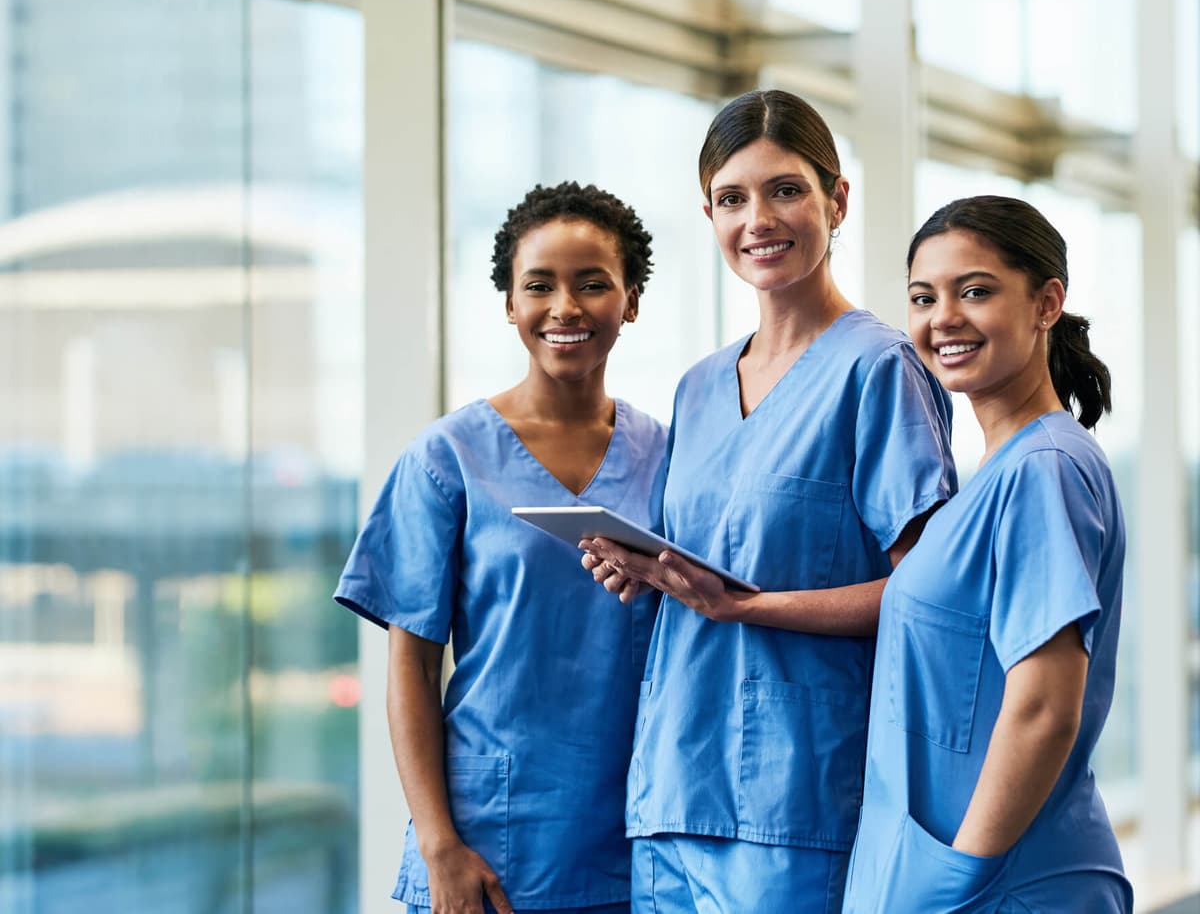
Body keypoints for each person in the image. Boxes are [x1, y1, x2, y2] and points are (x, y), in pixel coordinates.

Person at [579, 89, 957, 913]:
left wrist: (748, 605)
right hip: (673, 793)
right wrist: (645, 570)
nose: (760, 219)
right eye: (732, 198)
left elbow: (933, 598)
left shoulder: (880, 370)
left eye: (785, 189)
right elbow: (712, 558)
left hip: (798, 799)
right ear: (709, 214)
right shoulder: (699, 386)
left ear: (837, 199)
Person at [334, 181, 669, 914]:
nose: (565, 307)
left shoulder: (668, 455)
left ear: (632, 299)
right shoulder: (448, 458)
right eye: (539, 285)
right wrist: (438, 843)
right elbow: (413, 667)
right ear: (510, 304)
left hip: (641, 838)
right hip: (492, 847)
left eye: (593, 284)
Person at [840, 195, 1131, 913]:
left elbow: (1044, 706)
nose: (944, 316)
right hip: (952, 873)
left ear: (1046, 303)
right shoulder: (999, 476)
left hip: (997, 883)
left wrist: (956, 877)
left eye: (975, 290)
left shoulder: (1045, 469)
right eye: (923, 296)